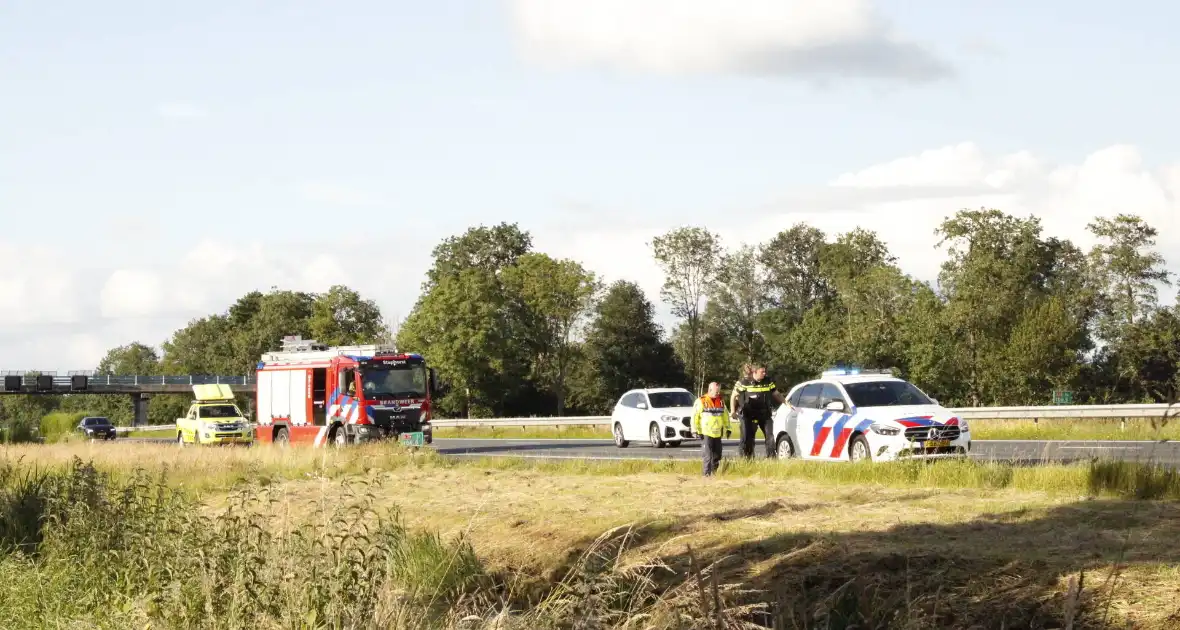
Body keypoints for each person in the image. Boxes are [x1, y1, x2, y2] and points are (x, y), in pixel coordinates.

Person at [732, 363, 785, 459]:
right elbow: (733, 396)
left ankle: (771, 459)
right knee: (747, 438)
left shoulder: (768, 381)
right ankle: (747, 459)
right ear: (754, 372)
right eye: (762, 372)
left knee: (770, 436)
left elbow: (776, 394)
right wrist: (732, 411)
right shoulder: (744, 382)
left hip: (764, 413)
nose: (764, 373)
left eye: (765, 371)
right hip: (748, 414)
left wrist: (787, 403)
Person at [692, 381, 731, 476]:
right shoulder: (701, 401)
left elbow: (725, 415)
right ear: (710, 390)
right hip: (705, 432)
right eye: (716, 392)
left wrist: (728, 428)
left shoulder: (721, 401)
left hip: (717, 432)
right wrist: (694, 429)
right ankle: (706, 475)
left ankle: (714, 473)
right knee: (708, 455)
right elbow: (694, 416)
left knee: (717, 455)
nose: (718, 393)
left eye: (719, 391)